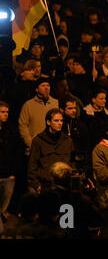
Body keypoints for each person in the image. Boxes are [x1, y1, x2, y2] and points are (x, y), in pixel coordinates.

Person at [27, 109, 75, 194]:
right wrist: (36, 185)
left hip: (64, 185)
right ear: (48, 122)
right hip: (45, 185)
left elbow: (72, 162)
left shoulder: (67, 141)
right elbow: (32, 166)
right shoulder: (38, 141)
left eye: (61, 120)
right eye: (56, 121)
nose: (60, 123)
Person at [18, 78, 59, 155]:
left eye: (48, 85)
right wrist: (31, 144)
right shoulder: (28, 105)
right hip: (34, 150)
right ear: (37, 89)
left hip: (53, 149)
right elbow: (23, 126)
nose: (46, 88)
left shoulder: (56, 103)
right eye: (43, 85)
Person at [0, 101, 23, 233]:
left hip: (8, 175)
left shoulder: (11, 130)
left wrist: (13, 173)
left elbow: (17, 153)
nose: (5, 115)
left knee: (4, 205)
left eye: (7, 112)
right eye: (2, 112)